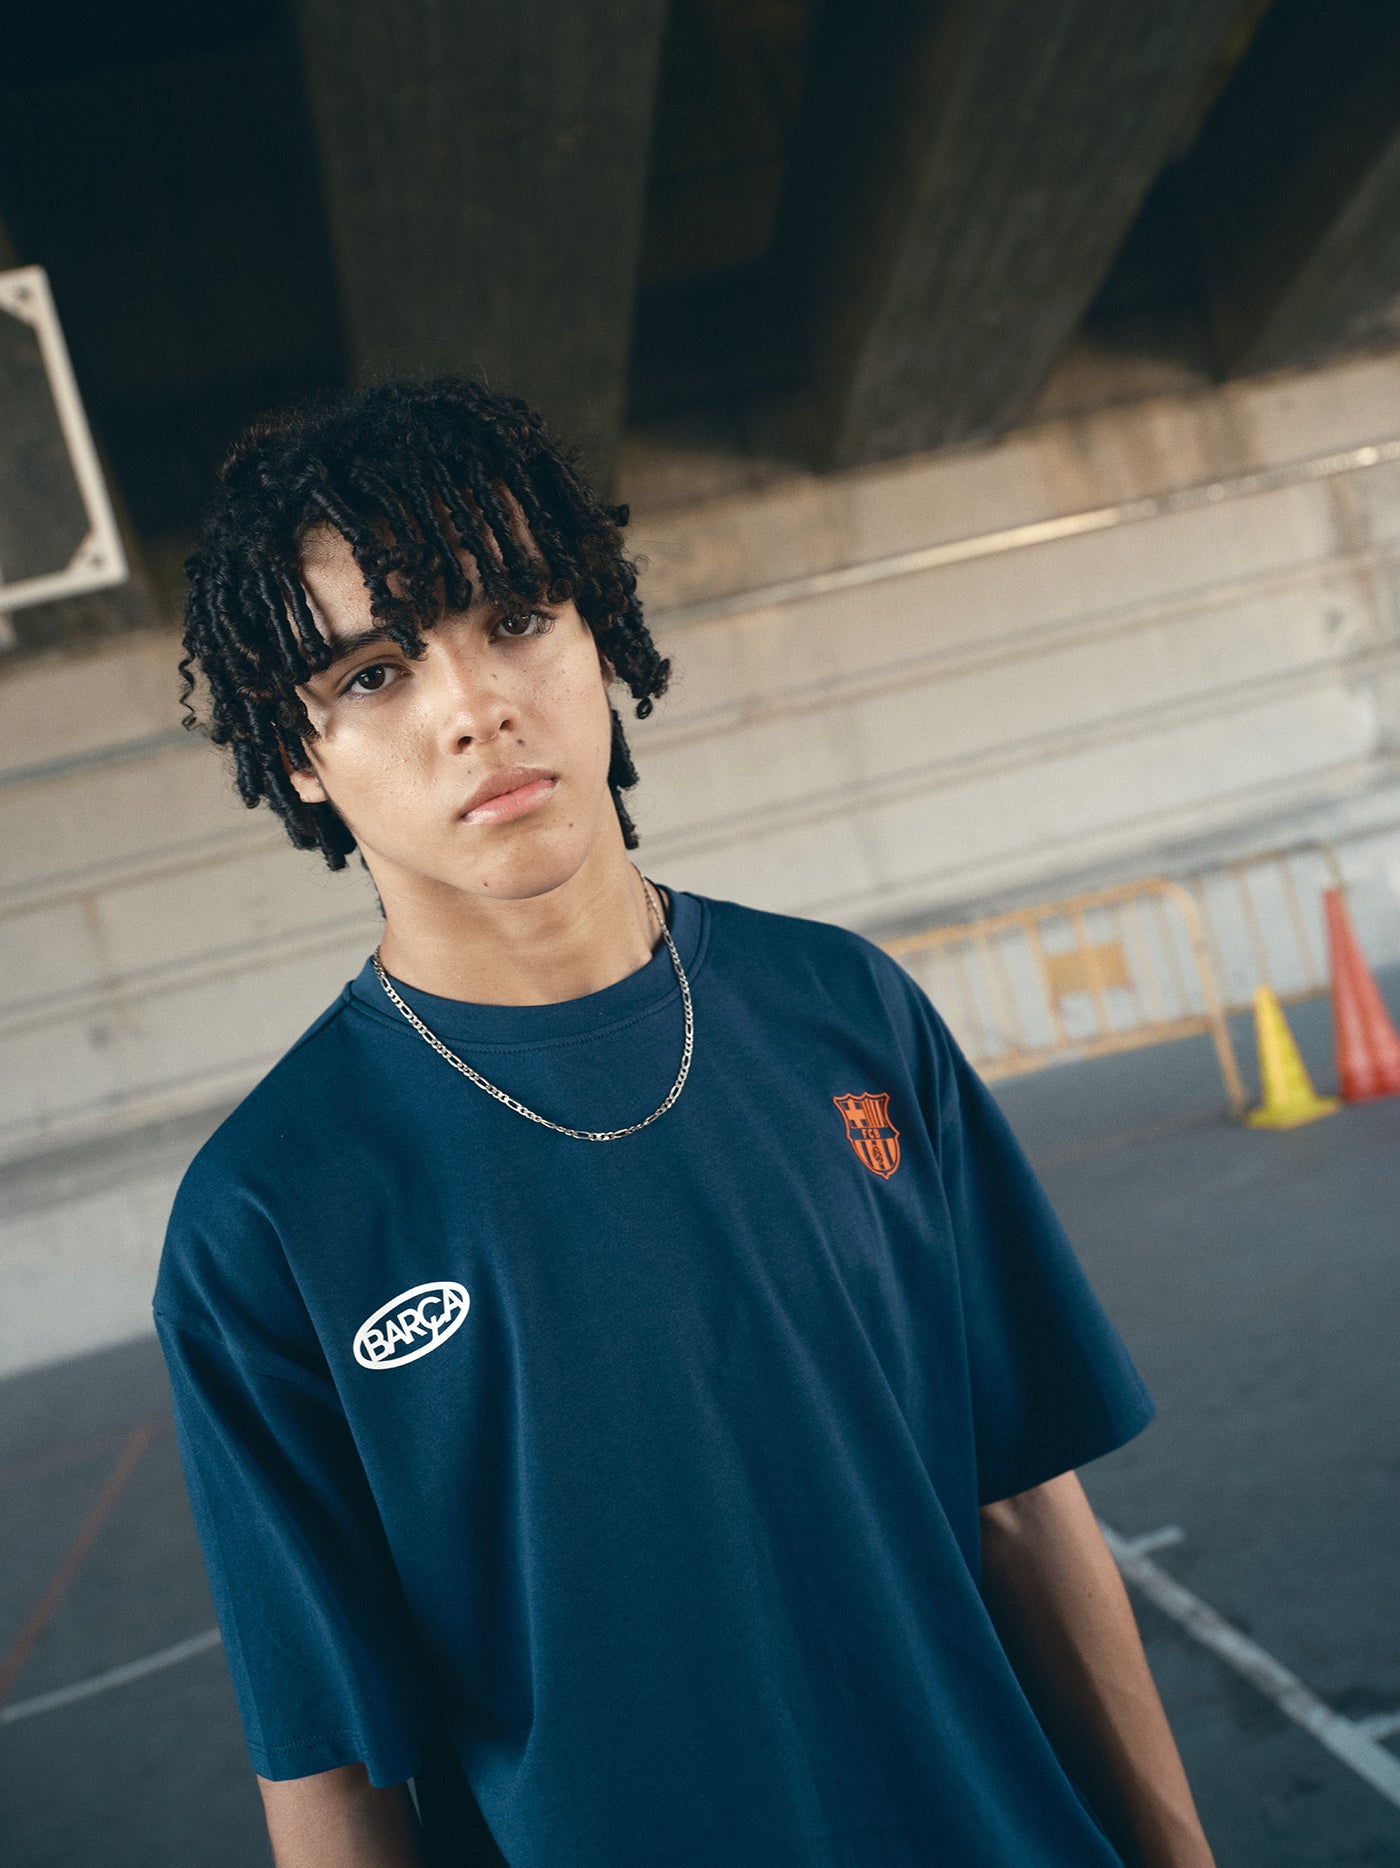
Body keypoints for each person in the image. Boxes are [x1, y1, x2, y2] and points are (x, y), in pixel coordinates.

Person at [154, 376, 1216, 1868]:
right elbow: (334, 1783)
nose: (472, 706)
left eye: (513, 617)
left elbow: (1028, 1510)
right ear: (301, 759)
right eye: (374, 675)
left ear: (599, 637)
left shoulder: (844, 1009)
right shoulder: (268, 1215)